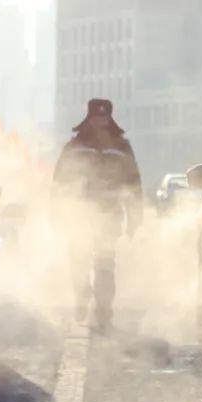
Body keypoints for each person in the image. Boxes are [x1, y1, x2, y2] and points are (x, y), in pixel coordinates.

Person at [52, 98, 143, 330]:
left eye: (104, 118)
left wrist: (135, 216)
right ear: (89, 118)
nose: (100, 123)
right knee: (79, 260)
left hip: (110, 214)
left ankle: (104, 312)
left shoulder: (122, 147)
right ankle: (82, 296)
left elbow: (133, 184)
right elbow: (59, 181)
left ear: (109, 119)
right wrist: (58, 212)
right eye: (96, 118)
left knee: (105, 264)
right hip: (79, 213)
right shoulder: (74, 147)